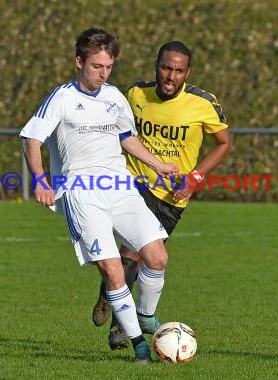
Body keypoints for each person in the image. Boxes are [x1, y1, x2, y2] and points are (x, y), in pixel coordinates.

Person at [20, 27, 180, 364]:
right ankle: (138, 346)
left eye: (108, 67)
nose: (103, 74)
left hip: (120, 188)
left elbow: (126, 137)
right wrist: (40, 180)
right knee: (112, 270)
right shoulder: (61, 98)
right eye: (96, 67)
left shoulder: (114, 96)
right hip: (81, 194)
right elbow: (31, 140)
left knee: (157, 258)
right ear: (80, 62)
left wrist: (157, 165)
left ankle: (146, 316)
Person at [91, 40, 232, 350]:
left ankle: (109, 294)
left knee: (148, 258)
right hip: (133, 184)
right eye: (167, 68)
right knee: (131, 253)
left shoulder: (203, 104)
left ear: (187, 73)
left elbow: (224, 143)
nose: (171, 76)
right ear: (157, 67)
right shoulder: (135, 95)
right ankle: (120, 326)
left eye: (179, 71)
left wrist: (195, 177)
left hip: (173, 197)